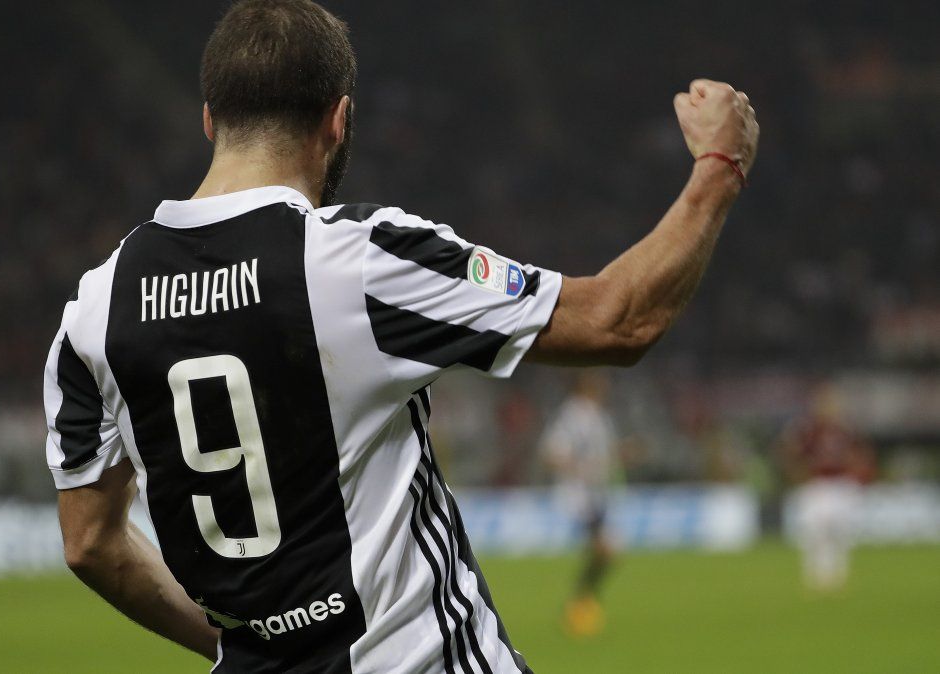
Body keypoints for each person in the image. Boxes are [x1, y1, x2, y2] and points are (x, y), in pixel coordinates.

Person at [44, 1, 759, 671]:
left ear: (209, 119)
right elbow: (617, 321)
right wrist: (718, 169)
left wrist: (247, 649)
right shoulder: (358, 259)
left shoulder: (93, 311)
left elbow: (90, 544)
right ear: (338, 119)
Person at [540, 374, 623, 636]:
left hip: (597, 494)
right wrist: (579, 468)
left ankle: (581, 602)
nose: (604, 387)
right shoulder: (572, 415)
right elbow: (551, 453)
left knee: (608, 552)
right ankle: (580, 604)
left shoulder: (599, 416)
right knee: (606, 550)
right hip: (579, 496)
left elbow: (604, 455)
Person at [780, 385, 875, 592]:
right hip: (817, 484)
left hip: (840, 484)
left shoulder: (845, 428)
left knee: (840, 532)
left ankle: (838, 577)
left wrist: (857, 475)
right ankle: (817, 577)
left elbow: (859, 453)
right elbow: (792, 453)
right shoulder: (809, 429)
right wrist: (798, 474)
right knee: (815, 532)